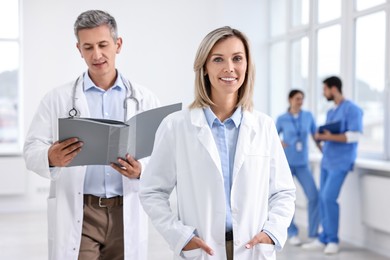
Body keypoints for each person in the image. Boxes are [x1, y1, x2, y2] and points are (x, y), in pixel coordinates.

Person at [139, 26, 296, 260]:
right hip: (202, 249)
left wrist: (272, 232)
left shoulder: (263, 126)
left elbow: (283, 192)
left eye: (237, 59)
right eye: (218, 59)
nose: (229, 68)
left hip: (253, 248)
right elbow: (152, 191)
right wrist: (181, 237)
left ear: (246, 66)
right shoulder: (176, 126)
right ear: (204, 67)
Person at [23, 10, 160, 260]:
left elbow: (163, 155)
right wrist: (50, 157)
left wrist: (141, 169)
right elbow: (31, 149)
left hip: (124, 209)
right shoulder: (58, 98)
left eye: (103, 44)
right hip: (80, 211)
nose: (96, 55)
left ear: (118, 45)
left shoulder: (144, 99)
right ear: (79, 49)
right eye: (88, 47)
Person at [302, 76, 363, 254]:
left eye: (325, 89)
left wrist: (328, 137)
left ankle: (333, 240)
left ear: (334, 89)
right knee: (322, 198)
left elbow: (355, 135)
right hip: (327, 159)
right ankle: (323, 238)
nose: (323, 93)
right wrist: (322, 137)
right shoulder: (331, 112)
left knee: (329, 198)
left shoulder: (352, 109)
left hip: (341, 161)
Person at [276, 89, 320, 246]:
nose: (300, 101)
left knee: (314, 196)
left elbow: (316, 136)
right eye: (297, 99)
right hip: (286, 164)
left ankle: (314, 233)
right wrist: (278, 143)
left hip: (303, 164)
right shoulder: (282, 119)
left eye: (302, 99)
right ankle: (292, 232)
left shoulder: (308, 116)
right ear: (290, 100)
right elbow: (272, 137)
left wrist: (324, 150)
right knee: (288, 199)